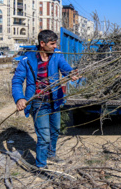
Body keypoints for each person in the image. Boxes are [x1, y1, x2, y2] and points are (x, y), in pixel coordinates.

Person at [12, 30, 80, 169]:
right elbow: (17, 80)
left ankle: (51, 154)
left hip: (54, 100)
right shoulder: (27, 59)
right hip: (38, 102)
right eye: (52, 44)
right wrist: (20, 98)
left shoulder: (57, 56)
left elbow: (65, 68)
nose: (55, 46)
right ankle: (41, 166)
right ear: (42, 44)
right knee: (44, 136)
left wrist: (71, 73)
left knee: (55, 130)